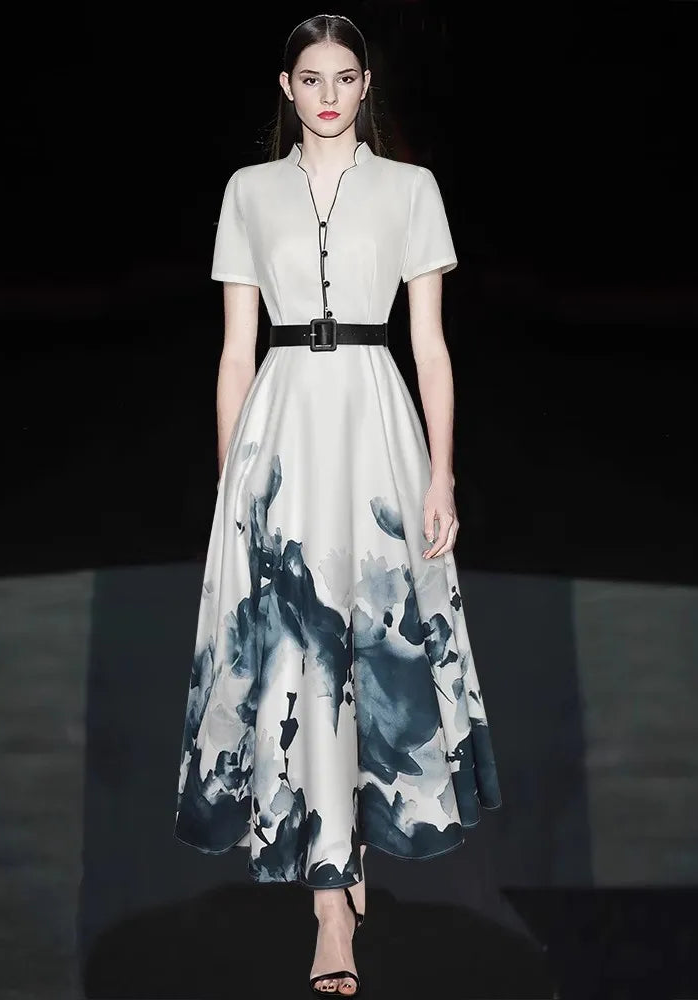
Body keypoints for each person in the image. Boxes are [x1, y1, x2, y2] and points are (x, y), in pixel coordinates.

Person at [173, 13, 502, 996]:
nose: (327, 93)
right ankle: (329, 899)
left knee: (371, 635)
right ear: (286, 87)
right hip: (281, 427)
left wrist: (441, 473)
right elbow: (235, 351)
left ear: (365, 86)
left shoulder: (410, 190)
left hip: (374, 420)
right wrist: (231, 479)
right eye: (310, 77)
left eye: (344, 76)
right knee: (297, 645)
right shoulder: (248, 192)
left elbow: (431, 345)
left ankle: (346, 855)